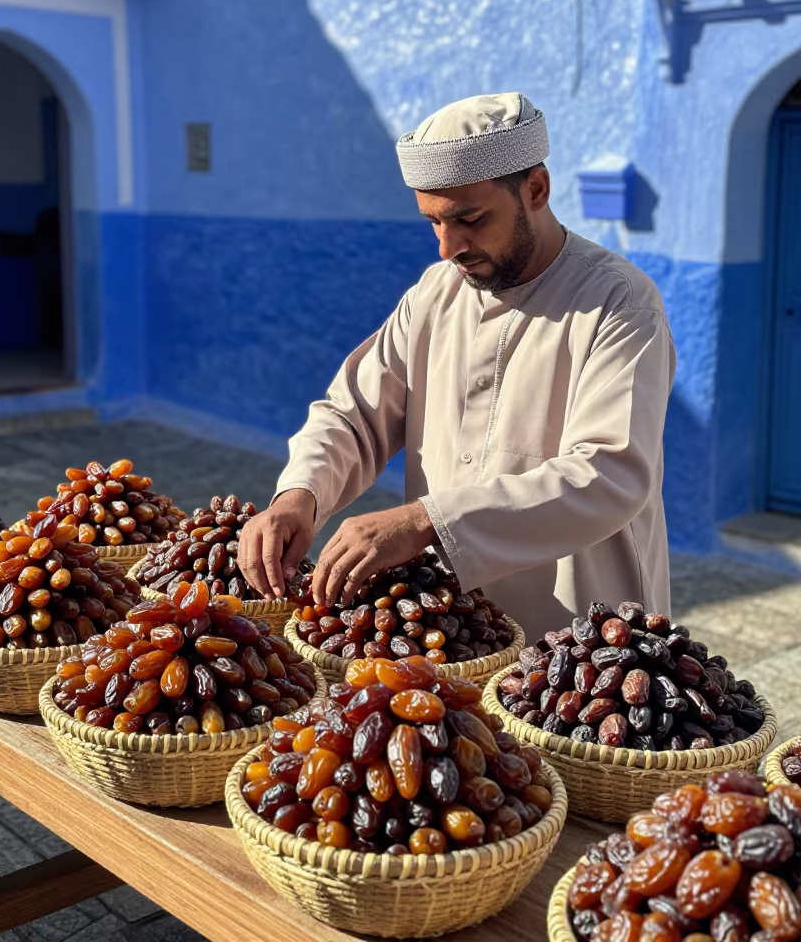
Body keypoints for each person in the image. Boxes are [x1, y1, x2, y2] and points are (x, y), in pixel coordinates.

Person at [238, 93, 675, 639]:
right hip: (453, 624)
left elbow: (609, 473)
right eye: (433, 223)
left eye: (468, 219)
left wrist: (425, 521)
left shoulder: (618, 301)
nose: (448, 247)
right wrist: (298, 494)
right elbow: (354, 414)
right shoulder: (435, 293)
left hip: (581, 633)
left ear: (536, 190)